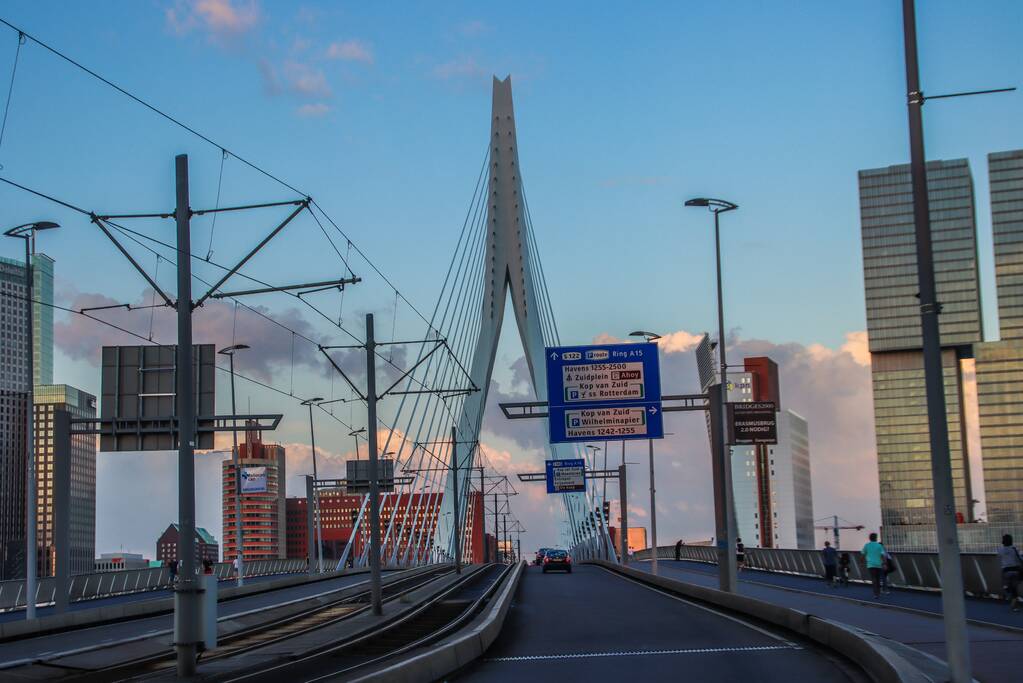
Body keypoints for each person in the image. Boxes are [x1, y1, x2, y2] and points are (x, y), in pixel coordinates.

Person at [998, 534, 1023, 612]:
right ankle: (1013, 606)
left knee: (1008, 586)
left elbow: (999, 557)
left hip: (1006, 570)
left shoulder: (1000, 550)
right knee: (1015, 588)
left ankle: (1006, 588)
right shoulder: (1014, 549)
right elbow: (1020, 558)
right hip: (1015, 570)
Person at [861, 532, 886, 598]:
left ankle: (876, 593)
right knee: (878, 578)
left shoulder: (867, 545)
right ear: (876, 538)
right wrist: (884, 563)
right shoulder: (879, 545)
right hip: (879, 564)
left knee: (874, 579)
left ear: (870, 538)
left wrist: (861, 562)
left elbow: (863, 554)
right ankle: (878, 591)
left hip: (870, 565)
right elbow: (883, 555)